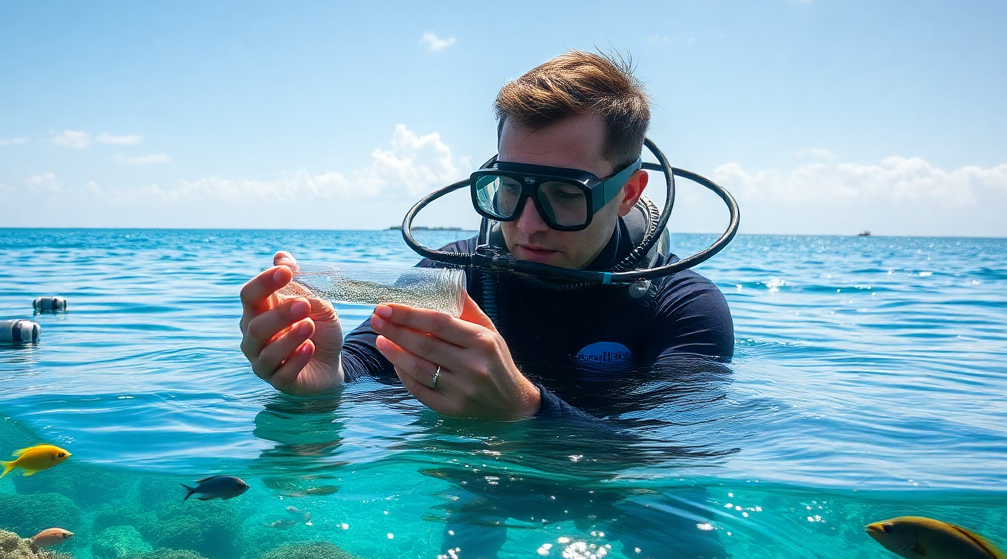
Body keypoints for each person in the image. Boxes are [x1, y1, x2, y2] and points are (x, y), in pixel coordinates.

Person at [239, 50, 733, 421]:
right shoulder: (453, 276)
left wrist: (525, 409)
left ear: (627, 192)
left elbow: (671, 455)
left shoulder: (682, 307)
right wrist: (325, 378)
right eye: (512, 188)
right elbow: (368, 358)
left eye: (565, 195)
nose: (528, 224)